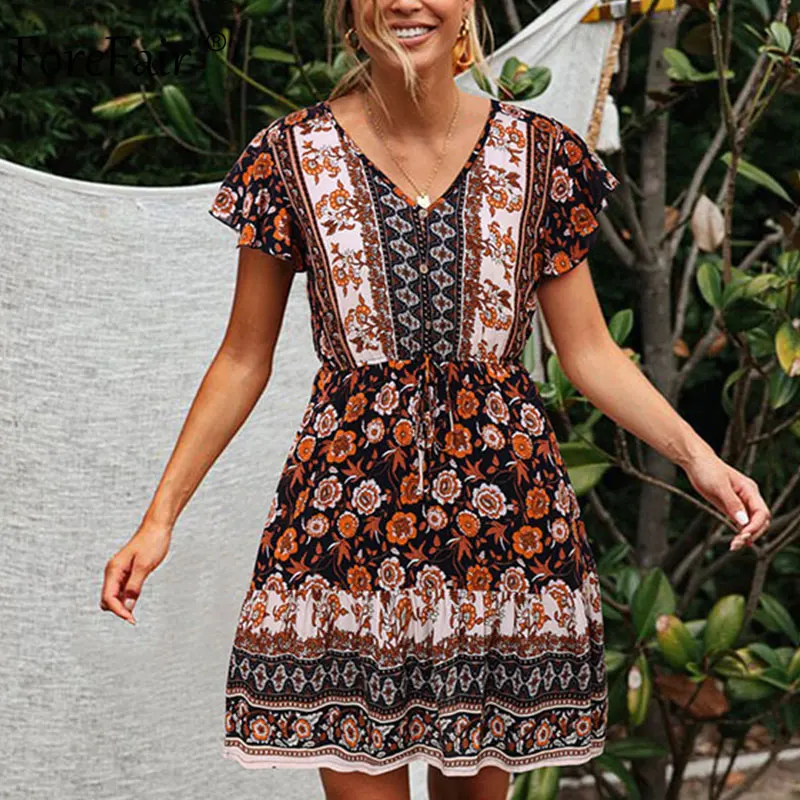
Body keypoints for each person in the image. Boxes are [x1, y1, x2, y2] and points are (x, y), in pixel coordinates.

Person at [100, 0, 771, 797]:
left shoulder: (539, 155)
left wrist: (700, 458)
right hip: (343, 531)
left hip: (501, 530)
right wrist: (160, 518)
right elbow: (243, 358)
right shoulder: (291, 157)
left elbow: (589, 351)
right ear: (349, 10)